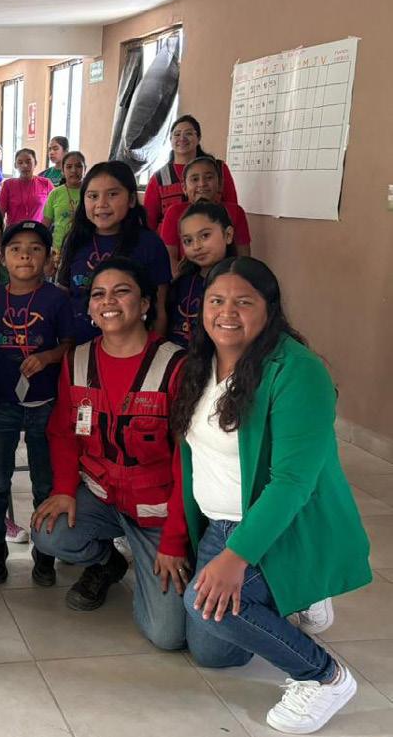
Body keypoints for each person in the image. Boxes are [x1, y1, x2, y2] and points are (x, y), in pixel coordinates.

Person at [173, 257, 371, 735]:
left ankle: (324, 677)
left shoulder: (298, 371)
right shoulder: (199, 362)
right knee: (215, 651)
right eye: (216, 301)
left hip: (280, 527)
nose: (226, 313)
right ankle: (296, 594)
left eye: (243, 302)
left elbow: (292, 484)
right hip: (220, 524)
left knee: (203, 604)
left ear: (270, 308)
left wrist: (236, 557)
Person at [32, 257, 192, 652]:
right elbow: (64, 432)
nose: (108, 301)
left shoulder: (176, 365)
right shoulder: (77, 359)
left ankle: (163, 563)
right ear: (89, 307)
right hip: (102, 496)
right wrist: (64, 489)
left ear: (145, 304)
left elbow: (188, 461)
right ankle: (107, 562)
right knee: (48, 532)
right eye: (98, 294)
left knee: (168, 636)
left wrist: (174, 540)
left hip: (158, 511)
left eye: (122, 292)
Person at [0, 222, 74, 585]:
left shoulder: (57, 299)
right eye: (16, 248)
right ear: (2, 258)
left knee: (43, 484)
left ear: (49, 258)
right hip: (1, 401)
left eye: (35, 248)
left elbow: (69, 344)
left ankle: (44, 553)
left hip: (44, 403)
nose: (25, 255)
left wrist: (48, 357)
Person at [57, 161, 172, 344]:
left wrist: (153, 352)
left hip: (132, 348)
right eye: (93, 196)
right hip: (80, 348)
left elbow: (159, 309)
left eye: (112, 194)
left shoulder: (149, 244)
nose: (101, 204)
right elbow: (63, 299)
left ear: (131, 199)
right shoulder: (75, 241)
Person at [144, 115, 238, 234]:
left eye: (188, 133)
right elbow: (149, 222)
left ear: (198, 138)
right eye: (177, 134)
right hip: (168, 242)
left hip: (213, 239)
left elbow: (232, 211)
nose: (182, 138)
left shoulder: (219, 169)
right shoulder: (159, 178)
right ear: (170, 140)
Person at [159, 156, 252, 270]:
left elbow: (244, 258)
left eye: (209, 177)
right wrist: (182, 279)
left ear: (220, 184)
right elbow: (168, 258)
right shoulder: (174, 213)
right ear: (184, 188)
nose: (202, 184)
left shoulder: (236, 212)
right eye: (195, 179)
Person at [167, 201, 237, 346]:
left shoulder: (241, 285)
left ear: (228, 235)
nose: (196, 246)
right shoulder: (181, 284)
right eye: (188, 240)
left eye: (205, 236)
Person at [41, 151, 86, 267]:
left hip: (85, 247)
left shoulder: (90, 192)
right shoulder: (55, 193)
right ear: (62, 171)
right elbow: (45, 224)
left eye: (78, 166)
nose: (73, 170)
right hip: (59, 249)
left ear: (85, 169)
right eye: (69, 167)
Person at [0, 148, 54, 226]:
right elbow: (0, 213)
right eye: (20, 162)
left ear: (35, 163)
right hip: (14, 231)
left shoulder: (46, 183)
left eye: (28, 162)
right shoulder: (8, 185)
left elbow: (56, 207)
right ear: (15, 165)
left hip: (38, 231)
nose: (24, 166)